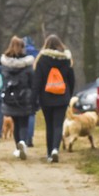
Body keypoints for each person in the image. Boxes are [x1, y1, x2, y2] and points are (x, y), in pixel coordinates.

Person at [32, 34, 75, 163]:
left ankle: (49, 153)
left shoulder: (41, 60)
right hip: (62, 97)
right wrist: (69, 95)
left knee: (49, 125)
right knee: (58, 125)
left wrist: (34, 98)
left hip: (46, 98)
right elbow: (72, 80)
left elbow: (37, 81)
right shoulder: (66, 60)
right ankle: (56, 149)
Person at [0, 35, 36, 160]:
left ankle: (17, 147)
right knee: (24, 123)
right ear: (23, 47)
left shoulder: (5, 64)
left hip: (10, 98)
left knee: (15, 122)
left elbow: (3, 80)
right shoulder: (27, 64)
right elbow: (32, 81)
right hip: (25, 97)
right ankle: (23, 143)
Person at [24, 36, 39, 147]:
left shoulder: (20, 54)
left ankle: (22, 137)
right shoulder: (37, 55)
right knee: (32, 114)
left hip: (21, 88)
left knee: (21, 114)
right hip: (35, 87)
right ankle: (29, 138)